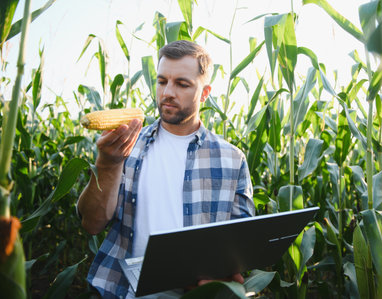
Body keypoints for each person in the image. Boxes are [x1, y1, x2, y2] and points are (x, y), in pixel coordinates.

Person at [77, 40, 255, 299]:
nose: (167, 92)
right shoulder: (126, 145)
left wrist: (218, 277)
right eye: (162, 81)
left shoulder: (231, 159)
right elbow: (91, 224)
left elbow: (241, 245)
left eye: (182, 84)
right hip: (122, 291)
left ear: (205, 93)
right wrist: (107, 164)